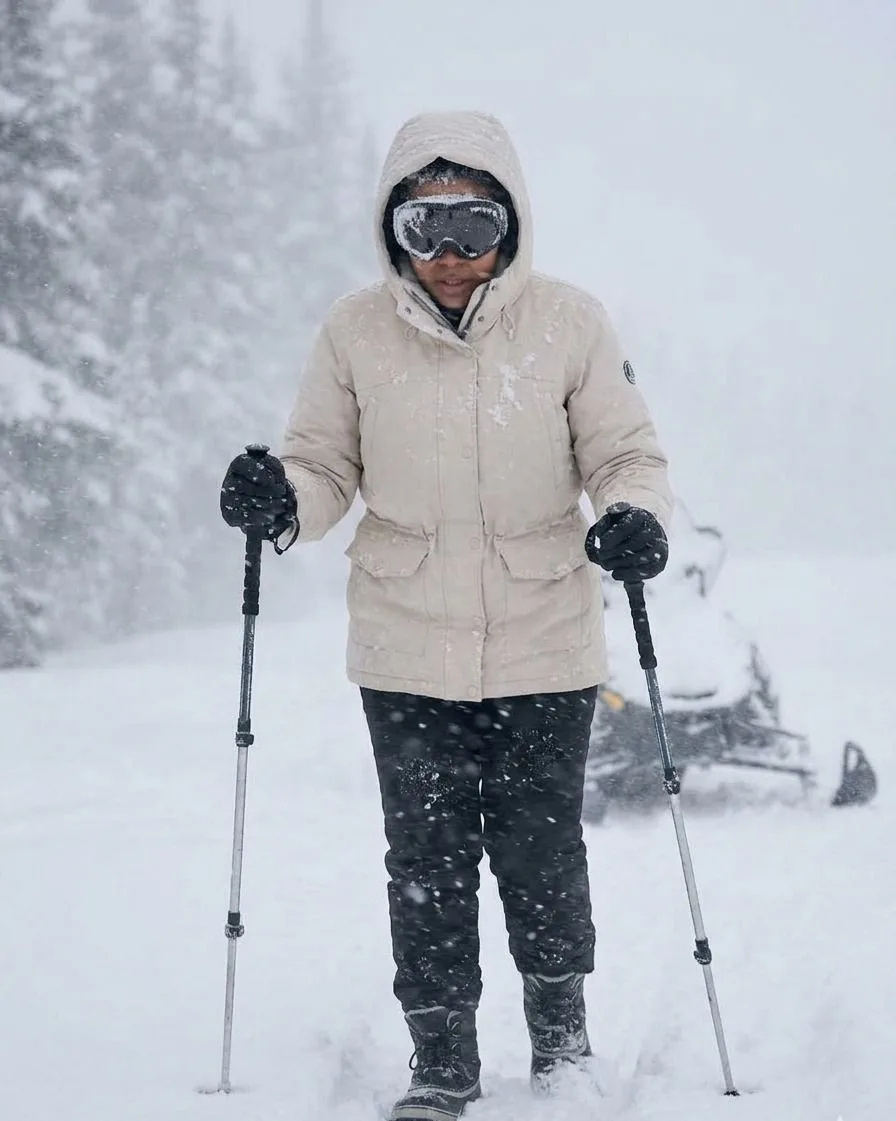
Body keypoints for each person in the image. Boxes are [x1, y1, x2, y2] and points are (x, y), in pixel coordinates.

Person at [220, 110, 672, 1120]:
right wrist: (282, 497)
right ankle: (442, 1057)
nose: (451, 254)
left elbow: (624, 455)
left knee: (540, 851)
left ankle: (560, 1040)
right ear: (392, 229)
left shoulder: (569, 323)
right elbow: (324, 463)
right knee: (424, 859)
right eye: (424, 227)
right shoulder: (353, 332)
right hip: (406, 645)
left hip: (544, 641)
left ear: (512, 222)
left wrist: (634, 514)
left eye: (474, 224)